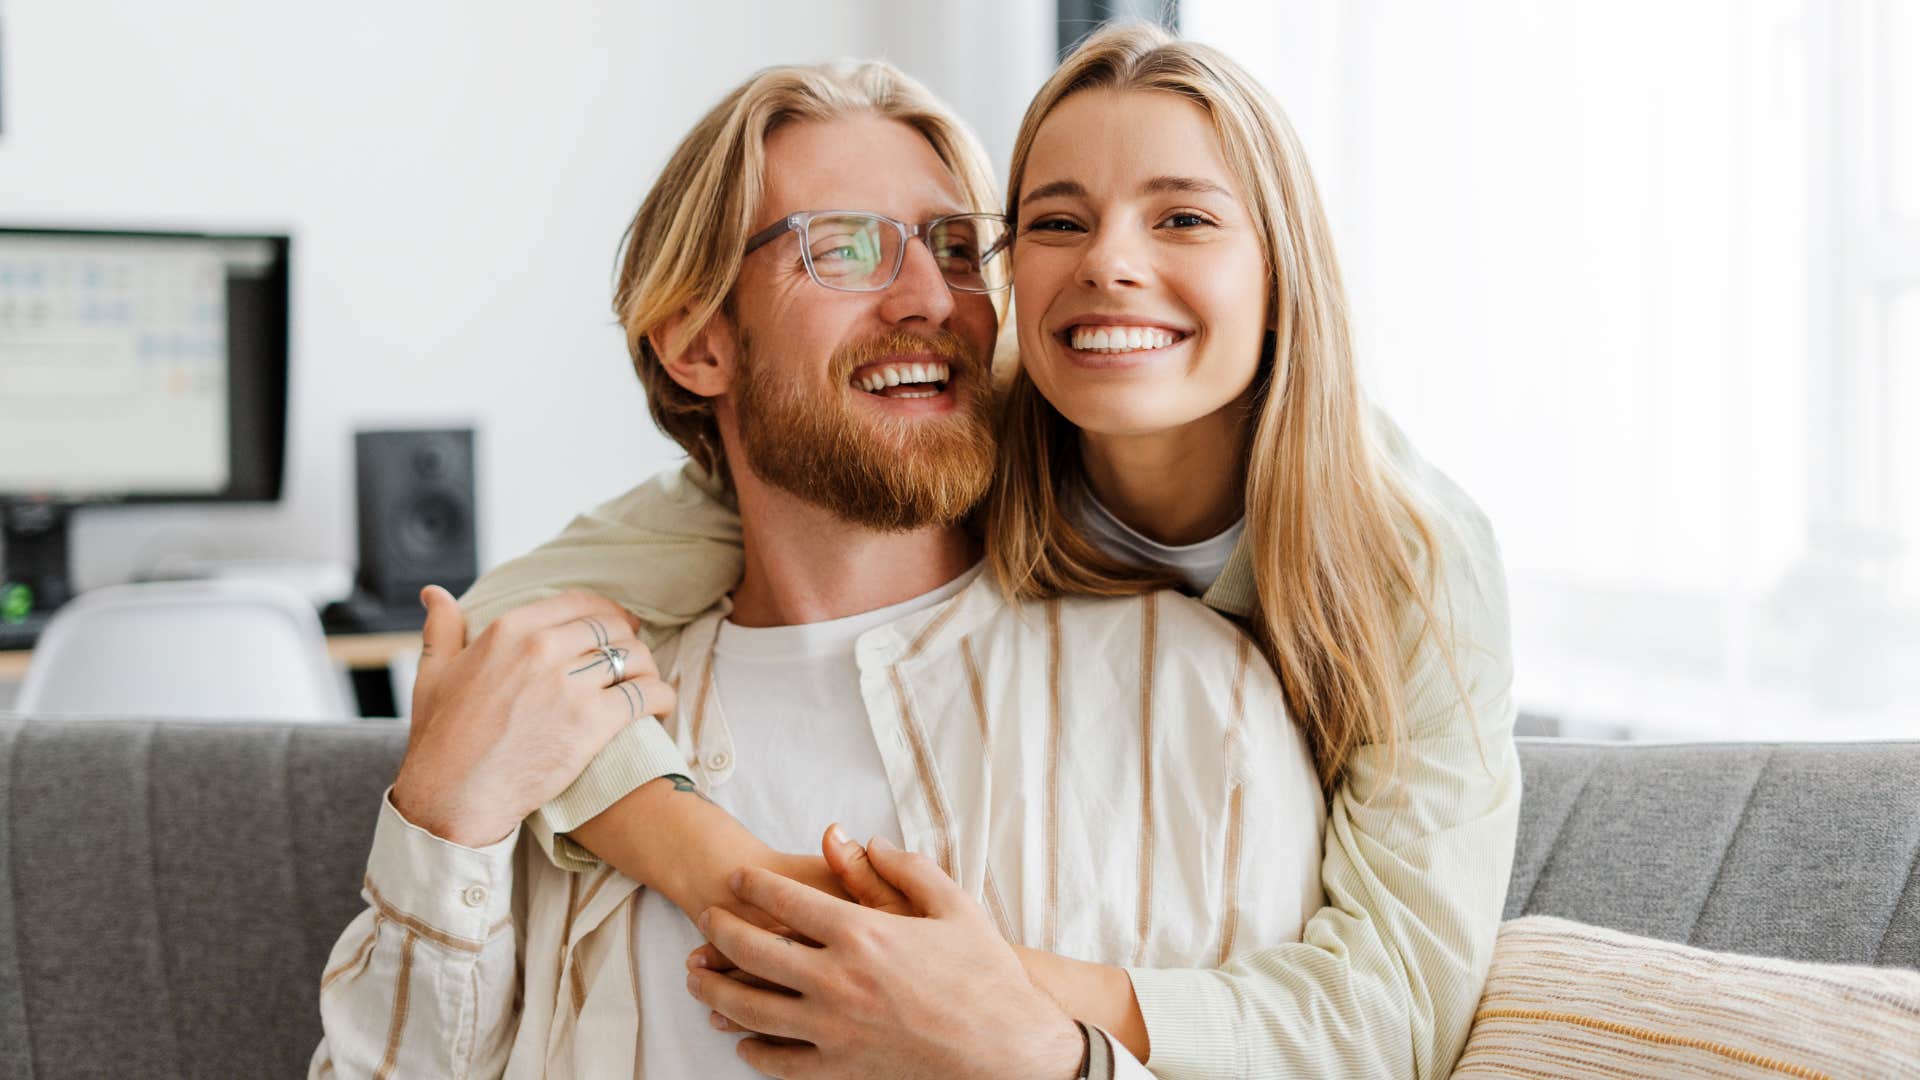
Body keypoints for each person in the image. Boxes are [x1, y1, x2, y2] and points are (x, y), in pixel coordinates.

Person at [494, 22, 1520, 1080]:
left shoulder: (1411, 563)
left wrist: (981, 1006)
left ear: (1282, 271)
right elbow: (491, 631)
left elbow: (1396, 1008)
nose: (1112, 264)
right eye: (1057, 221)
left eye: (1184, 218)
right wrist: (719, 863)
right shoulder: (942, 448)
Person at [311, 53, 1325, 1080]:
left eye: (959, 247)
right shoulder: (552, 729)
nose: (931, 296)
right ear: (697, 344)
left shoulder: (1195, 699)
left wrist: (1042, 1060)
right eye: (844, 249)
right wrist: (444, 811)